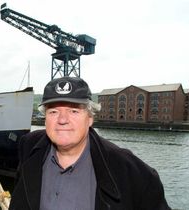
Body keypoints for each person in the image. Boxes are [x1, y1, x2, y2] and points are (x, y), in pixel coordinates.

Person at [9, 76, 170, 210]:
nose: (63, 120)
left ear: (90, 118)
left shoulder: (129, 171)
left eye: (74, 111)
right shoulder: (29, 147)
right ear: (46, 119)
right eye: (53, 112)